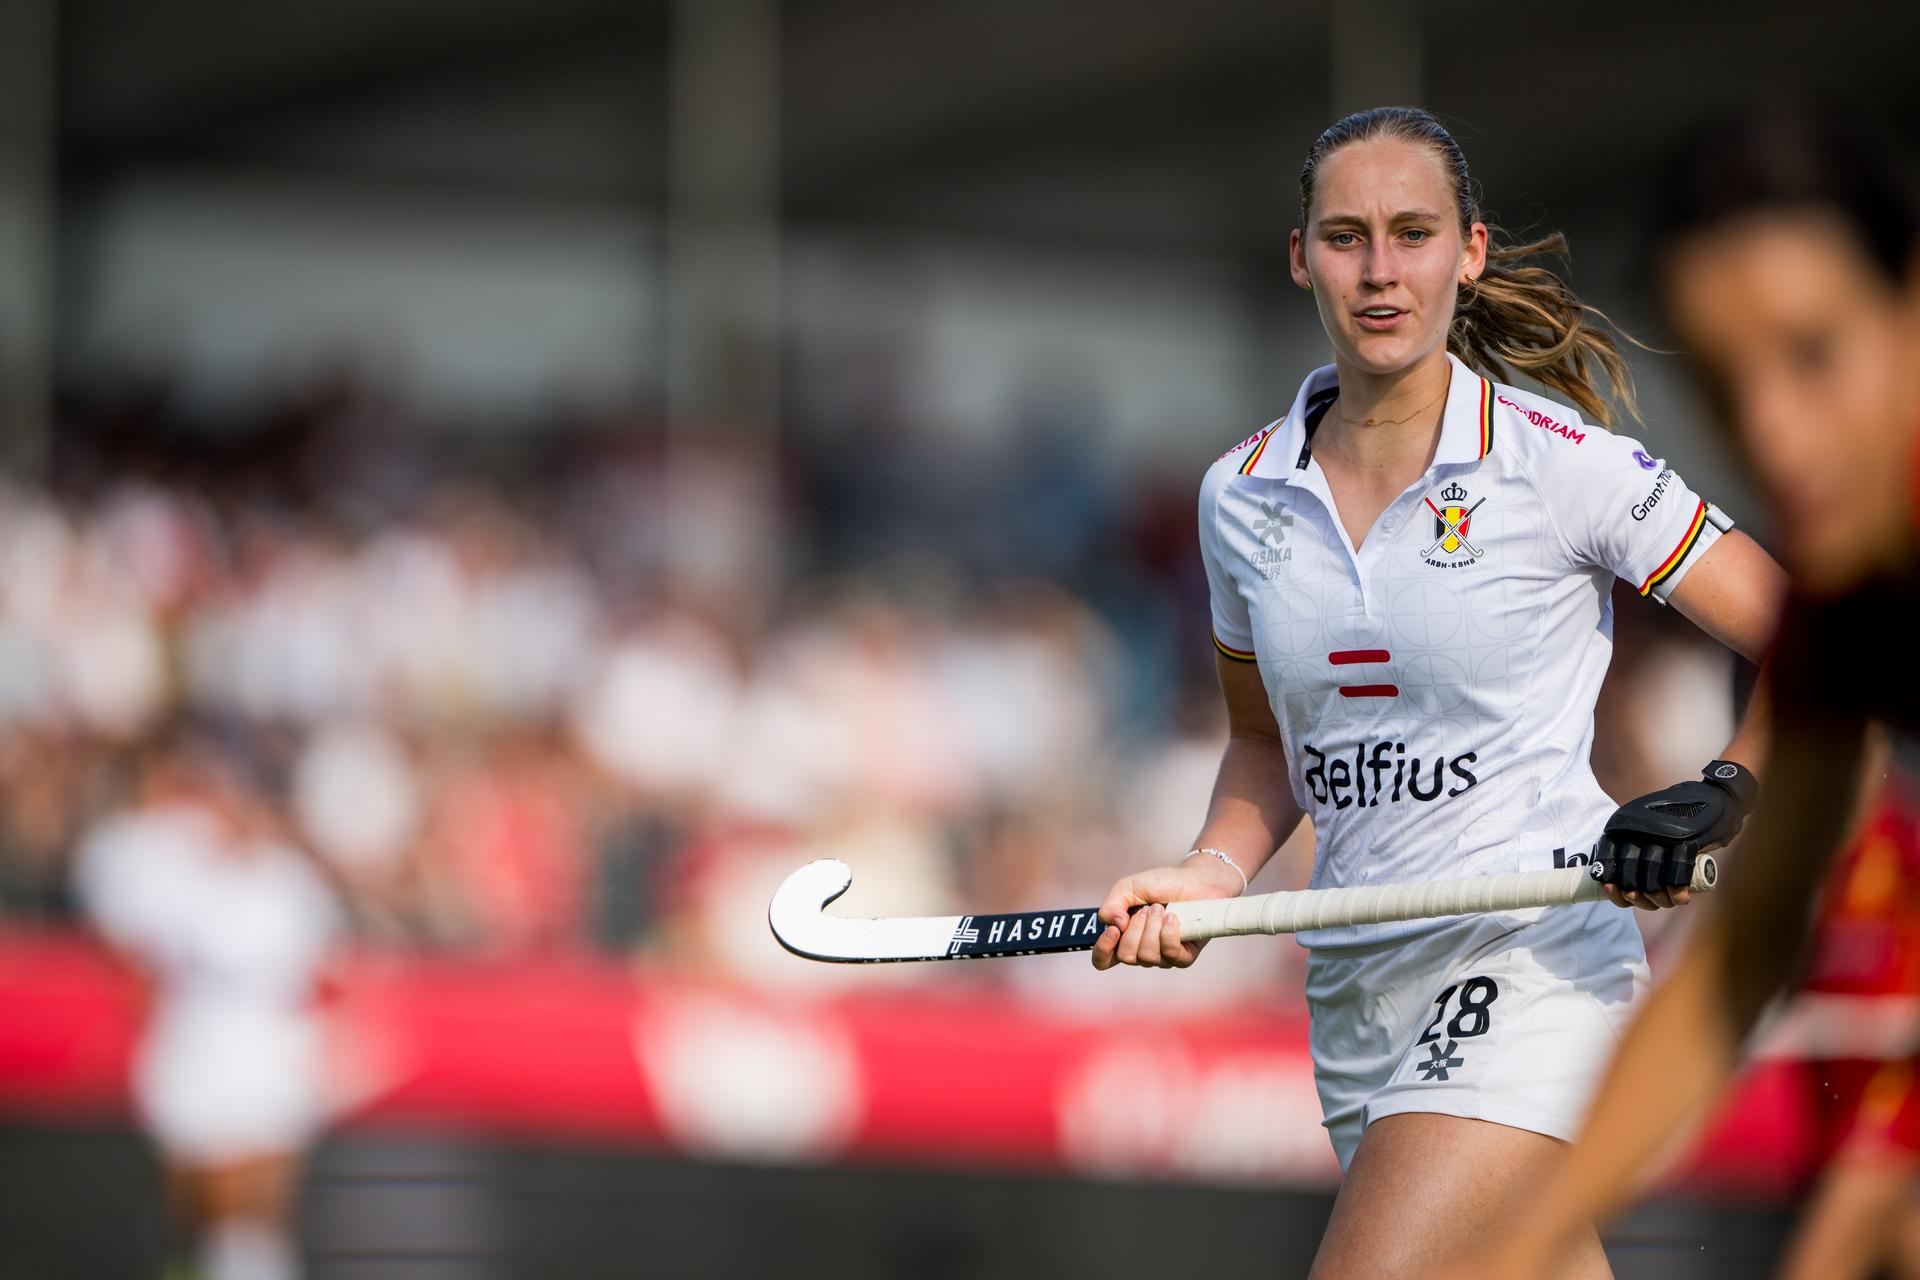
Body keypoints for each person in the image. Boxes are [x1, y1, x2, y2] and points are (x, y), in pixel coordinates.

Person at [1089, 105, 1788, 1280]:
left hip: (1529, 961)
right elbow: (1268, 748)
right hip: (1358, 985)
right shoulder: (1240, 495)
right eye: (1347, 235)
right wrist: (1206, 875)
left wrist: (1726, 789)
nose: (1379, 269)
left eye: (1412, 233)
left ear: (1467, 251)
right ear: (1300, 254)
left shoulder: (1561, 462)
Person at [1458, 102, 1920, 1279]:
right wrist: (1522, 1243)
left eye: (1813, 351)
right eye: (1725, 381)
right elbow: (1735, 958)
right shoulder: (1850, 589)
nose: (1774, 431)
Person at [75, 735, 343, 1280]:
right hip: (192, 1063)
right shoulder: (165, 870)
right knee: (195, 1217)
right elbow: (131, 956)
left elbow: (324, 975)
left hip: (268, 1063)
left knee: (256, 1218)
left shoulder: (290, 881)